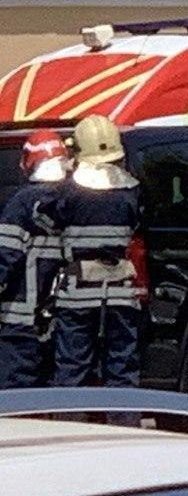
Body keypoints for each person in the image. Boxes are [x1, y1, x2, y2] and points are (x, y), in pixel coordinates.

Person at [45, 115, 142, 388]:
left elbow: (45, 218)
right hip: (121, 292)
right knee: (122, 369)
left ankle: (71, 415)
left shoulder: (67, 192)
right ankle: (123, 415)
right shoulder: (132, 190)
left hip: (78, 293)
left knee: (72, 369)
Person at [0, 131, 70, 388]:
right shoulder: (75, 201)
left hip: (19, 322)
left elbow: (5, 257)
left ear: (28, 162)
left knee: (16, 397)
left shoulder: (21, 204)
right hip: (65, 321)